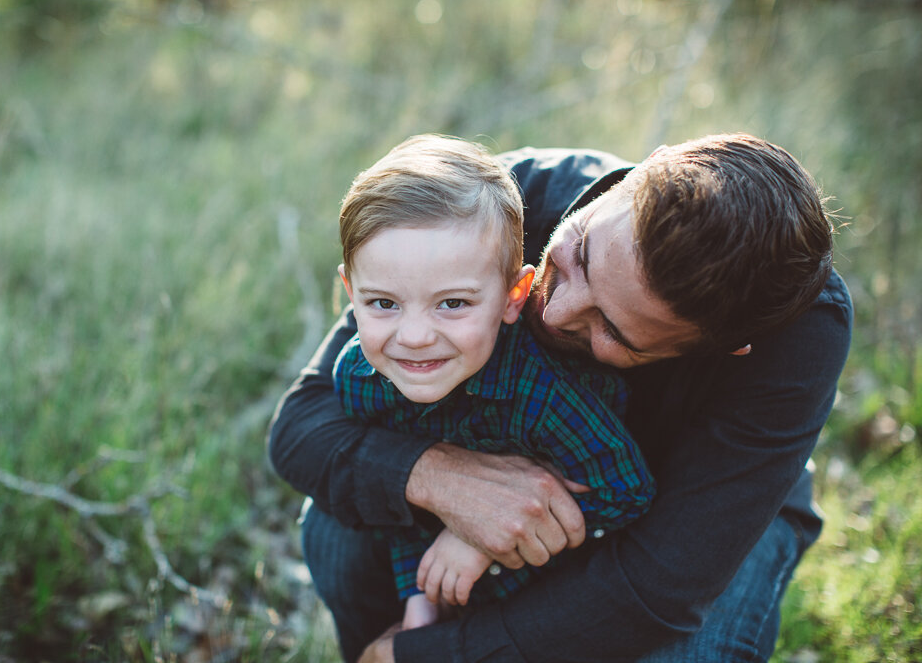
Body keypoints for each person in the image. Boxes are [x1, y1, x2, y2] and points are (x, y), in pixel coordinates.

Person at [269, 133, 853, 662]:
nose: (553, 308)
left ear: (722, 348)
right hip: (479, 460)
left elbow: (658, 587)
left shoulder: (798, 331)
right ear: (637, 176)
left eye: (615, 332)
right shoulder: (489, 205)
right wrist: (444, 482)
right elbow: (304, 424)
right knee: (337, 524)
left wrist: (428, 655)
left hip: (702, 518)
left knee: (692, 654)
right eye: (579, 256)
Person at [331, 134, 656, 630]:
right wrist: (420, 592)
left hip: (545, 584)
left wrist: (481, 538)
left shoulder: (545, 395)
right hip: (429, 566)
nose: (414, 337)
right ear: (351, 292)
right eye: (383, 303)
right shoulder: (358, 380)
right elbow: (378, 473)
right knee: (336, 527)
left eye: (453, 303)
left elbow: (626, 491)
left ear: (513, 297)